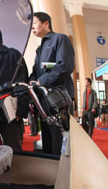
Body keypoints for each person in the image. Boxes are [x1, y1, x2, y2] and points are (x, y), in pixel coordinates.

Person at [28, 12, 75, 155]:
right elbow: (36, 71)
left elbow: (64, 66)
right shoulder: (39, 48)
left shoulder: (60, 39)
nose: (32, 28)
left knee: (59, 140)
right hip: (44, 99)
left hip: (59, 98)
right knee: (47, 138)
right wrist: (31, 81)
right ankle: (50, 172)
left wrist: (41, 81)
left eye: (35, 23)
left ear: (46, 23)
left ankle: (63, 173)